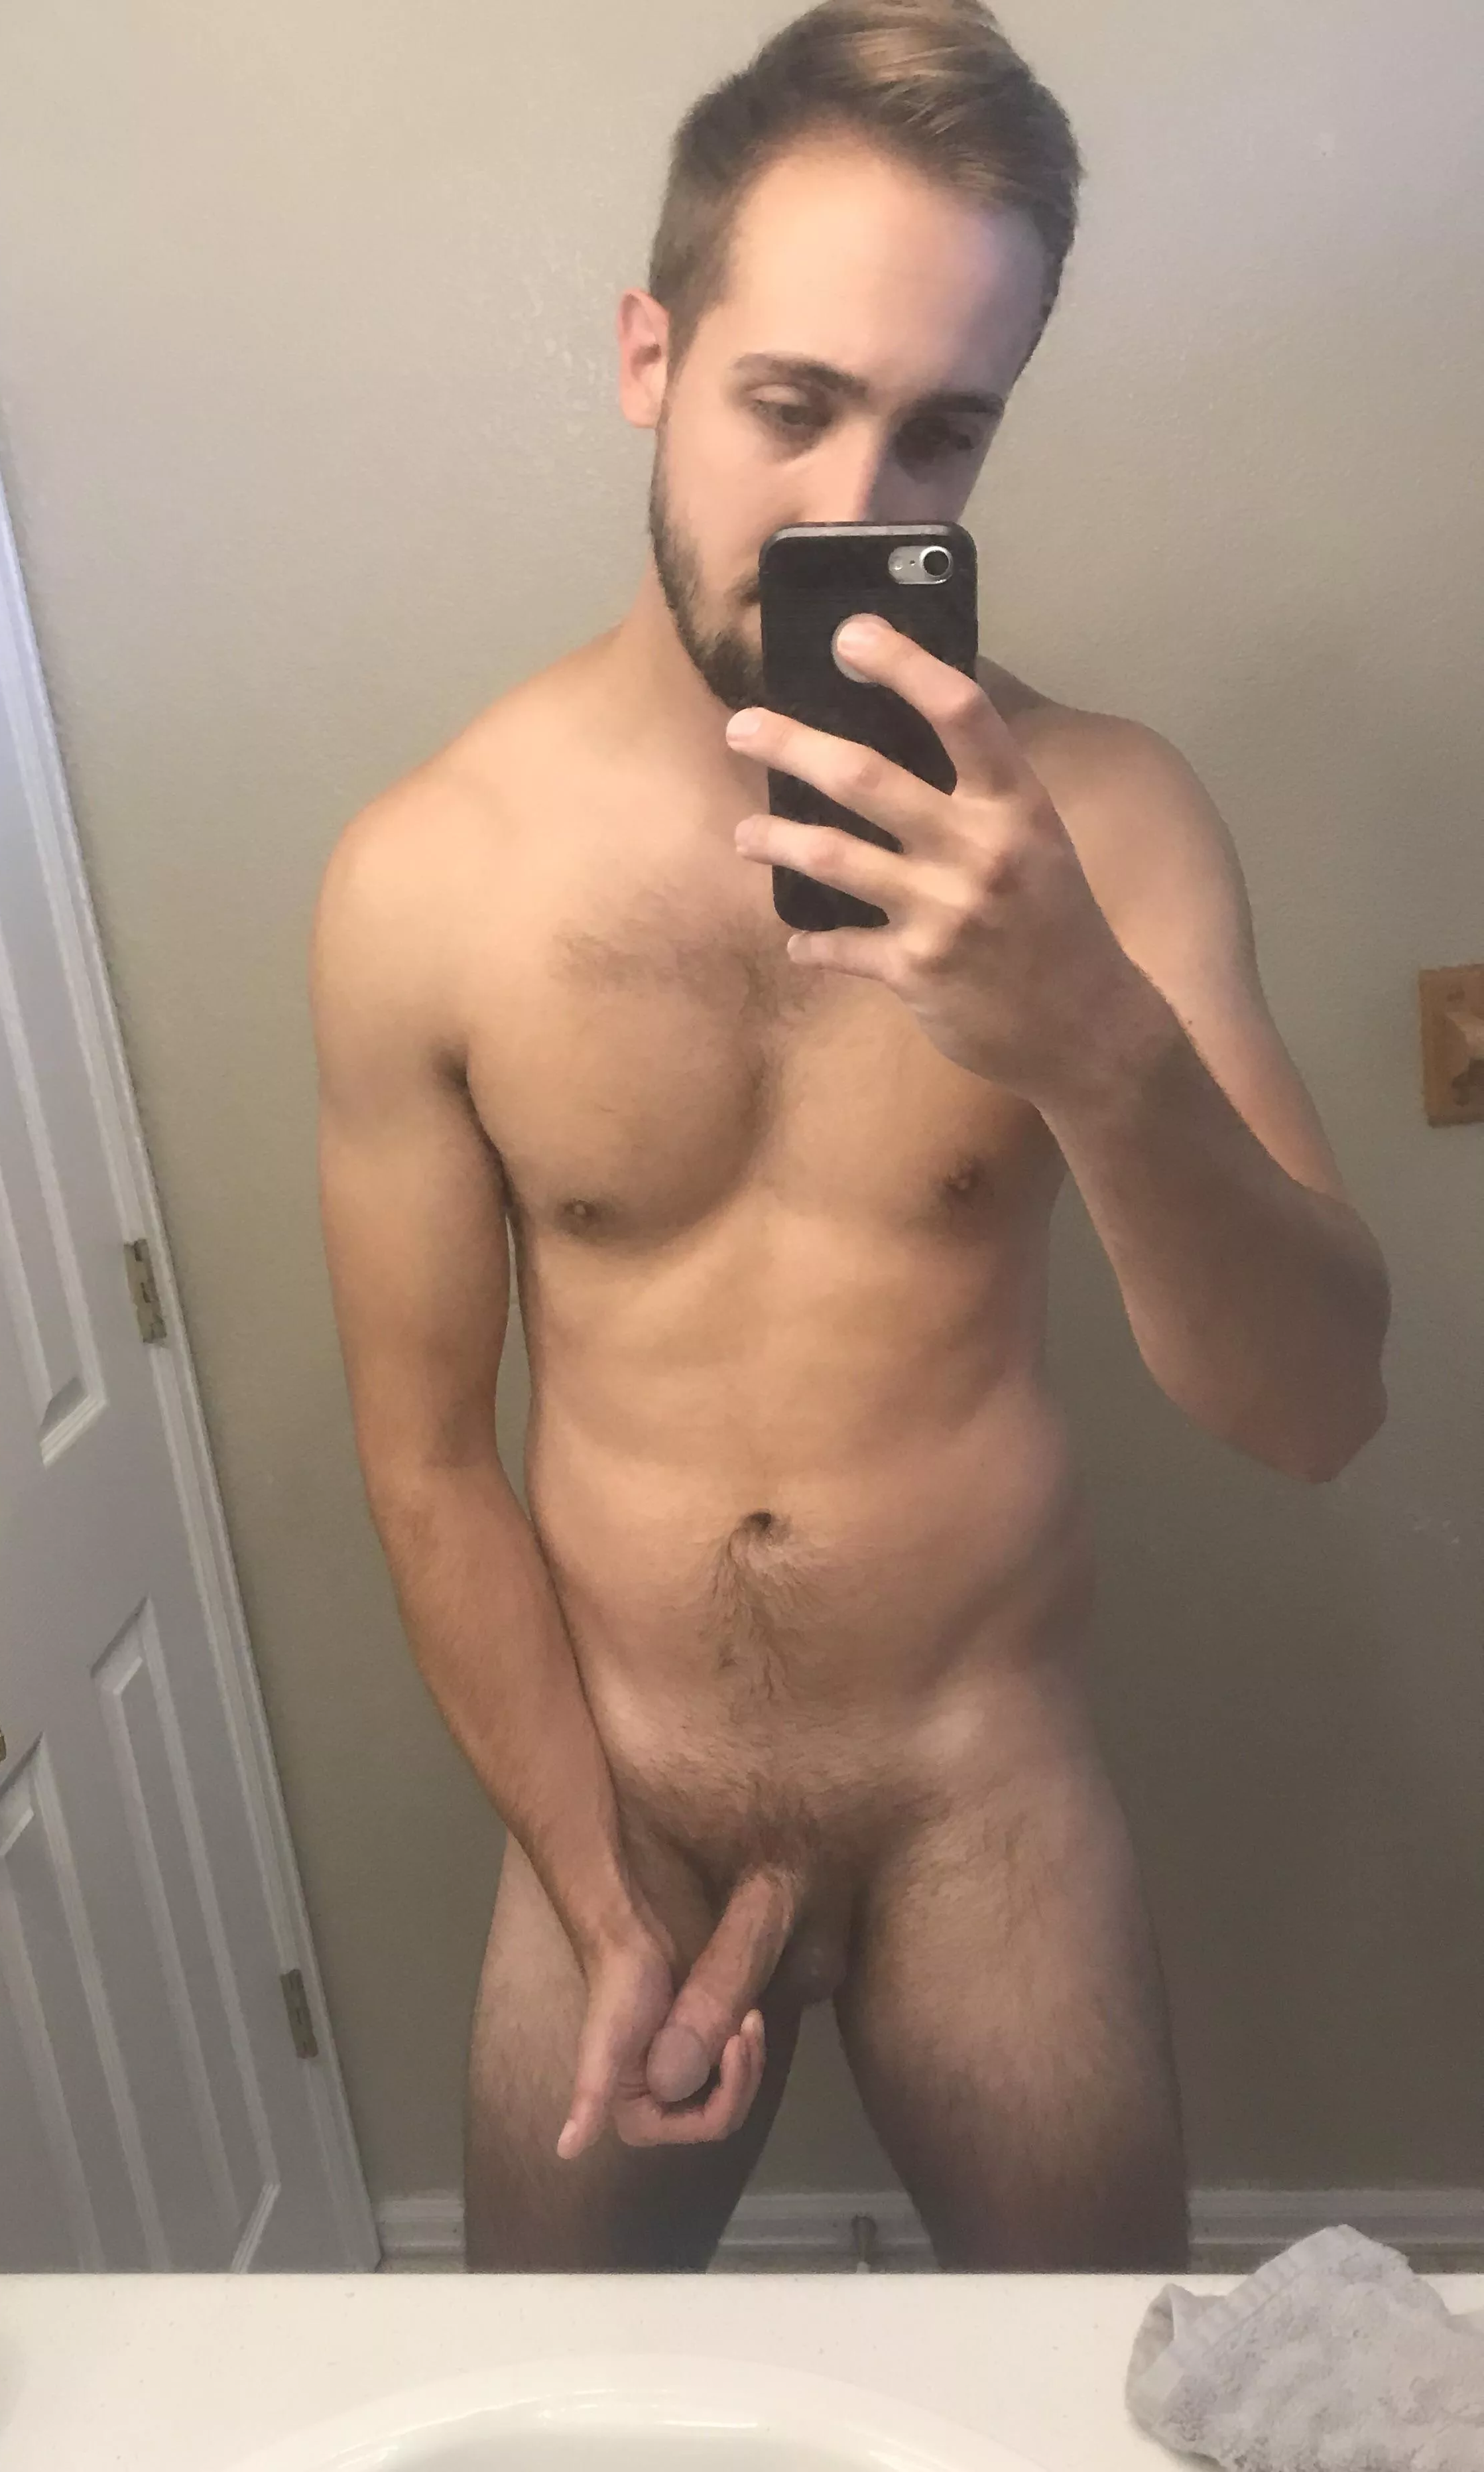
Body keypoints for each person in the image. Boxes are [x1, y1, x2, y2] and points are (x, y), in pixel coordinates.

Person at [310, 0, 1390, 2272]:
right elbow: (424, 1463)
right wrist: (601, 1899)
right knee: (558, 2408)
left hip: (980, 1793)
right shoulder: (426, 881)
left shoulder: (1103, 826)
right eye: (787, 405)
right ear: (650, 356)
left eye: (939, 432)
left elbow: (1317, 1411)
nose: (852, 508)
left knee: (1086, 2401)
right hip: (618, 1799)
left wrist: (1090, 1037)